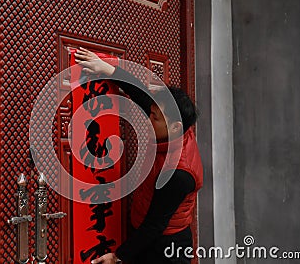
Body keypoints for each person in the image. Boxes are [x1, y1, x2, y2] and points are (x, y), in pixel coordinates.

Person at [74, 48, 203, 264]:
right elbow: (143, 95)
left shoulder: (179, 172)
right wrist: (107, 69)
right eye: (151, 113)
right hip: (146, 231)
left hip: (165, 247)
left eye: (154, 117)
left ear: (175, 126)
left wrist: (118, 257)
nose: (148, 119)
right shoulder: (173, 125)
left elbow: (155, 225)